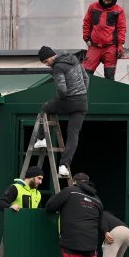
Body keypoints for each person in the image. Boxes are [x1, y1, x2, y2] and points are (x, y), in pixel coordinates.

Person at [35, 46, 89, 178]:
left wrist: (59, 100)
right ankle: (64, 165)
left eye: (46, 62)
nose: (47, 65)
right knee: (73, 134)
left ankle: (42, 138)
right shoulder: (74, 60)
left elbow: (62, 89)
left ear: (51, 57)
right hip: (82, 102)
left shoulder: (58, 67)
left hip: (68, 100)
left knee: (46, 107)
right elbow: (86, 78)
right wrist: (81, 93)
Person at [82, 0, 127, 80]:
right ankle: (84, 94)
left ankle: (109, 94)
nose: (106, 2)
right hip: (94, 46)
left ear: (113, 0)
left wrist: (120, 45)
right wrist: (86, 38)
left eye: (108, 0)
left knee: (109, 76)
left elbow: (121, 28)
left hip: (110, 47)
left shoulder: (118, 11)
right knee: (85, 74)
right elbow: (86, 23)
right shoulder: (93, 7)